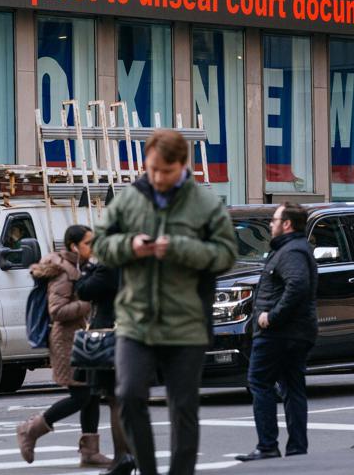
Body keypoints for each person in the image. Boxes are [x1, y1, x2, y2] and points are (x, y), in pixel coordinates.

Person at [93, 129, 238, 475]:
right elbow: (99, 243)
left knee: (183, 408)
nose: (157, 178)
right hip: (135, 320)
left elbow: (227, 253)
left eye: (166, 171)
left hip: (185, 323)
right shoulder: (130, 197)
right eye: (152, 169)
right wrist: (131, 246)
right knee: (128, 395)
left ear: (183, 166)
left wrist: (180, 248)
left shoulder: (204, 204)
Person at [16, 225, 111, 468]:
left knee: (91, 394)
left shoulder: (81, 267)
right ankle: (31, 430)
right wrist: (87, 305)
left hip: (81, 339)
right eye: (88, 243)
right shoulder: (63, 271)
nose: (92, 247)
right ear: (73, 246)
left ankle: (90, 452)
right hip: (65, 341)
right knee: (80, 396)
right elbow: (56, 311)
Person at [235, 203, 317, 462]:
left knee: (260, 382)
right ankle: (296, 449)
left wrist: (271, 316)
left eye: (274, 220)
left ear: (287, 224)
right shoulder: (293, 249)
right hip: (295, 331)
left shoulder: (291, 251)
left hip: (279, 333)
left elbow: (297, 286)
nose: (270, 224)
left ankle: (268, 445)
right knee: (293, 386)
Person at [75, 254, 136, 475]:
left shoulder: (108, 265)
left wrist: (89, 267)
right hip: (137, 331)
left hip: (110, 335)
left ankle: (122, 457)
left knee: (114, 399)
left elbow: (83, 290)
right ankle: (132, 456)